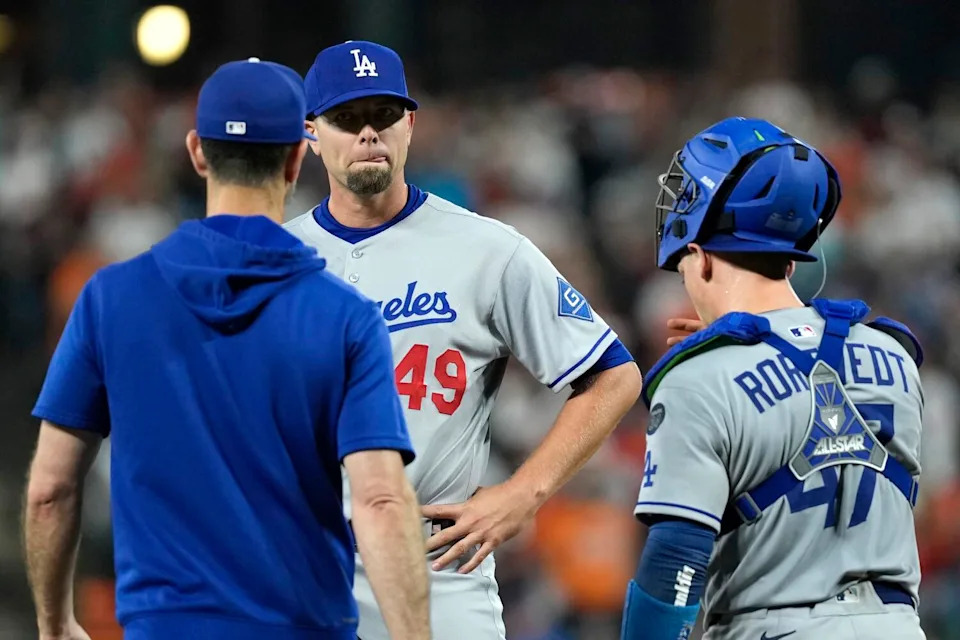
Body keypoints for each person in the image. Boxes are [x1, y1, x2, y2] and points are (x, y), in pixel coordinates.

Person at [23, 57, 430, 640]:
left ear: (196, 151)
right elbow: (383, 502)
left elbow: (50, 490)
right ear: (296, 158)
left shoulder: (110, 298)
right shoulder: (344, 317)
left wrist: (55, 624)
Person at [284, 40, 643, 640]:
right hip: (298, 563)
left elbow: (615, 375)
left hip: (436, 567)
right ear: (312, 133)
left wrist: (523, 494)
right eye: (347, 119)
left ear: (411, 124)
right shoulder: (275, 258)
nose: (369, 133)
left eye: (384, 115)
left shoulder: (486, 250)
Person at [621, 116, 925, 640]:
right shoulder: (895, 355)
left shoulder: (698, 378)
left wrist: (720, 362)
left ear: (700, 258)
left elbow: (676, 557)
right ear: (790, 261)